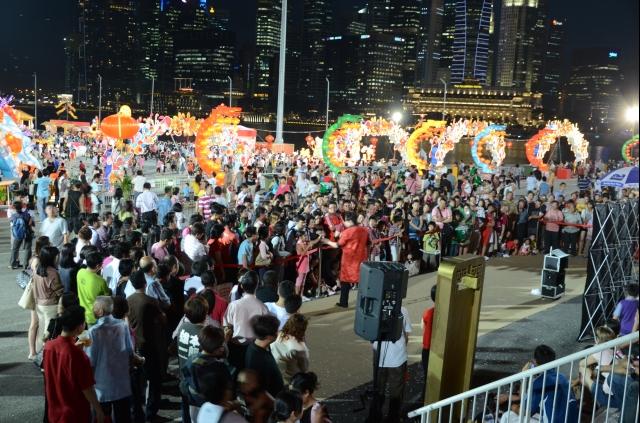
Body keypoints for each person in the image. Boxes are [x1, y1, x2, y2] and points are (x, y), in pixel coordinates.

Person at [43, 305, 105, 423]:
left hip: (54, 412)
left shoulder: (49, 346)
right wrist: (98, 409)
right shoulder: (77, 355)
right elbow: (87, 388)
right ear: (80, 327)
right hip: (75, 413)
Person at [86, 296, 137, 423]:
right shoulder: (123, 326)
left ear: (101, 311)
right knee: (123, 418)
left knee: (102, 418)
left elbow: (90, 361)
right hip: (122, 384)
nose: (93, 309)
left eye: (95, 307)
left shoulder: (92, 332)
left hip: (101, 386)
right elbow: (130, 352)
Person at [127, 270, 166, 423]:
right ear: (144, 283)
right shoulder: (151, 301)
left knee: (138, 381)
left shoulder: (128, 300)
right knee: (154, 379)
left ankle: (139, 411)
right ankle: (151, 412)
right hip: (150, 344)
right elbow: (162, 319)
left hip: (135, 344)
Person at [515, 345, 578, 423]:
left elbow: (524, 412)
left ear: (534, 362)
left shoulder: (539, 382)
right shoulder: (562, 377)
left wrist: (523, 378)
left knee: (508, 414)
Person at [372, 305, 412, 423]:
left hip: (378, 356)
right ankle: (393, 418)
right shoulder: (402, 310)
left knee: (378, 389)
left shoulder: (375, 308)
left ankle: (375, 416)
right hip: (398, 357)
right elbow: (407, 334)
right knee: (396, 392)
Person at [321, 212, 370, 308]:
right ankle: (365, 302)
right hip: (361, 259)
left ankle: (344, 302)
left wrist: (326, 241)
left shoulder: (347, 232)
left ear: (348, 220)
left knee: (345, 282)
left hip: (349, 261)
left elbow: (337, 245)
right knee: (362, 282)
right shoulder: (364, 230)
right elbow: (369, 243)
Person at [223, 271, 269, 370]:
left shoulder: (233, 305)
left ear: (242, 286)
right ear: (257, 285)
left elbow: (227, 326)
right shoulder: (263, 307)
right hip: (255, 348)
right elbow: (265, 332)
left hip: (235, 348)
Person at [32, 246, 64, 352]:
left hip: (39, 304)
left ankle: (39, 354)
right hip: (51, 305)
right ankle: (45, 359)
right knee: (49, 333)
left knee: (41, 330)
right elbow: (59, 291)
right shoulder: (53, 272)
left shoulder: (38, 269)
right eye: (57, 256)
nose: (58, 257)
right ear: (52, 258)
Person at [245, 314, 285, 398]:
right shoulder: (258, 360)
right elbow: (262, 391)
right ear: (269, 337)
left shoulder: (258, 345)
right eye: (276, 331)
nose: (279, 332)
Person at [271, 313, 310, 384]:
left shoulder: (276, 334)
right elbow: (304, 367)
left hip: (277, 374)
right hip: (293, 378)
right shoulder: (299, 347)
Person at [77, 250, 110, 325]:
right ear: (98, 266)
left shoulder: (80, 272)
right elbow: (106, 298)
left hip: (84, 312)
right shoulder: (101, 281)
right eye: (101, 264)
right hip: (95, 315)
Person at [421, 284, 437, 399]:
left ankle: (425, 397)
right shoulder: (445, 313)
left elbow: (423, 326)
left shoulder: (428, 312)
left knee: (428, 374)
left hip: (427, 348)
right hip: (437, 349)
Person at [9, 200, 34, 269]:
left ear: (14, 208)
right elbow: (31, 224)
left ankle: (13, 263)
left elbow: (11, 223)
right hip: (27, 233)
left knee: (15, 249)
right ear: (22, 207)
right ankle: (26, 265)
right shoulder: (27, 215)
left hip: (17, 234)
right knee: (27, 249)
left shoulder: (13, 216)